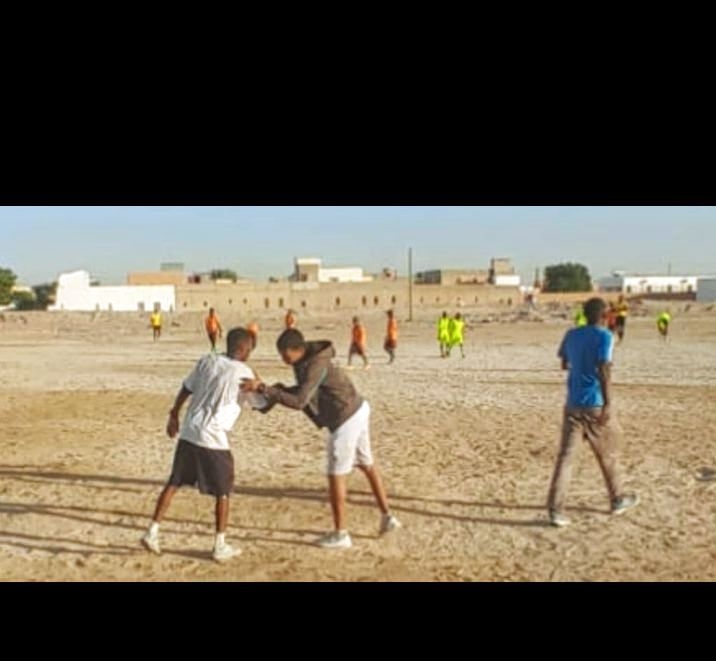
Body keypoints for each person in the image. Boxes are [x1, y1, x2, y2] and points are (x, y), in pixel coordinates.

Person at [241, 328, 401, 549]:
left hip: (345, 417)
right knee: (366, 464)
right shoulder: (306, 361)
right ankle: (387, 516)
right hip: (357, 408)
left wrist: (263, 388)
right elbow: (305, 390)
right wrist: (269, 392)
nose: (283, 360)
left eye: (285, 355)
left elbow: (300, 401)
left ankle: (341, 534)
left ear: (296, 349)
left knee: (336, 475)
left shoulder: (316, 364)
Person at [141, 327, 263, 562]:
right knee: (223, 491)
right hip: (213, 437)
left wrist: (174, 414)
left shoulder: (207, 360)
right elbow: (262, 404)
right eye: (249, 349)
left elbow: (186, 388)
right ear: (242, 349)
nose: (250, 353)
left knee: (174, 482)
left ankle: (152, 530)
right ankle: (220, 544)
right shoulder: (244, 372)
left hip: (190, 430)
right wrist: (259, 383)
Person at [547, 297, 639, 527]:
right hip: (594, 404)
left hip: (573, 403)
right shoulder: (605, 336)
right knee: (607, 453)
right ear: (604, 315)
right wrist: (608, 403)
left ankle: (556, 509)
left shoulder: (571, 334)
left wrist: (580, 366)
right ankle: (617, 498)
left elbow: (564, 363)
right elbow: (604, 369)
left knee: (566, 458)